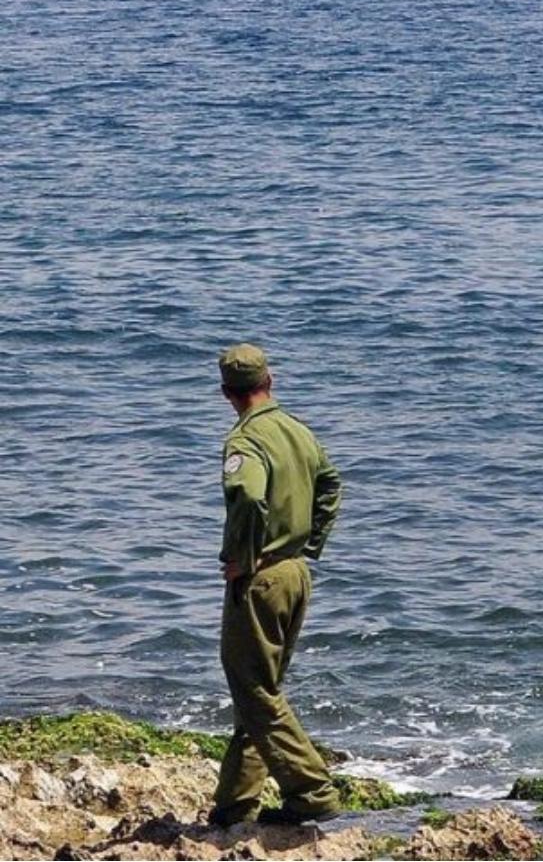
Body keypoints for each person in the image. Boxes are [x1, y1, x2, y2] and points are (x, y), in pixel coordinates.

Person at [208, 344, 343, 827]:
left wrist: (244, 559)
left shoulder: (247, 440)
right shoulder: (297, 431)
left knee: (254, 690)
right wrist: (309, 542)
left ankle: (312, 791)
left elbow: (246, 494)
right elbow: (331, 484)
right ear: (272, 380)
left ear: (227, 392)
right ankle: (234, 806)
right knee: (260, 690)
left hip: (262, 578)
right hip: (296, 573)